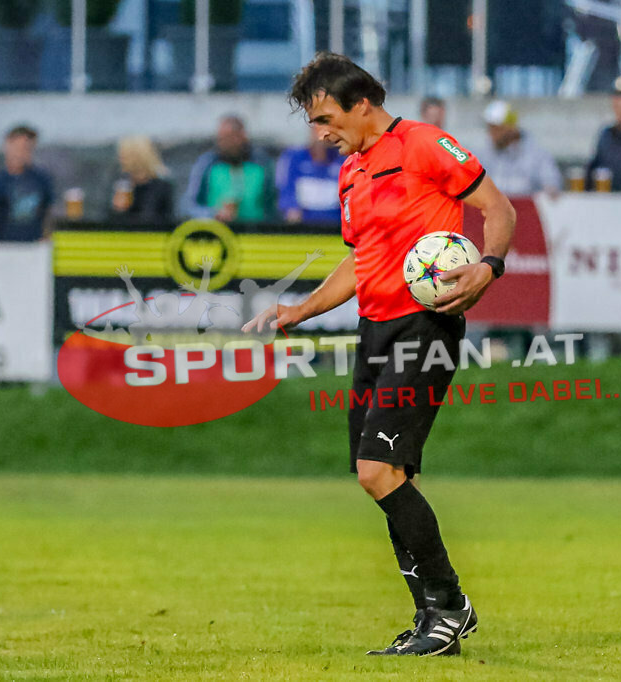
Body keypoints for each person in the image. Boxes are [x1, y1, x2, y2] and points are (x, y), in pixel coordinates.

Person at [244, 53, 516, 657]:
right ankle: (433, 619)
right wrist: (299, 310)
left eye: (326, 116)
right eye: (314, 122)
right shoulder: (351, 172)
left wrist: (488, 266)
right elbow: (359, 260)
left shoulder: (424, 143)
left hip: (428, 324)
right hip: (374, 332)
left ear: (361, 103)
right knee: (383, 478)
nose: (320, 132)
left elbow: (500, 209)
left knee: (377, 470)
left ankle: (448, 607)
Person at [178, 115, 277, 223]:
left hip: (257, 232)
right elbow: (188, 205)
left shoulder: (262, 164)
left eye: (231, 138)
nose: (225, 144)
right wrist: (213, 214)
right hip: (216, 230)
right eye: (221, 139)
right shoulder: (207, 164)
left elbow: (273, 204)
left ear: (243, 136)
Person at [0, 125, 54, 242]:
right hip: (4, 247)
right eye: (18, 147)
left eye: (27, 148)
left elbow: (48, 214)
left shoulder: (41, 180)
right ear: (8, 146)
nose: (21, 153)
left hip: (34, 249)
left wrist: (46, 237)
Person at [476, 100, 562, 199]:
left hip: (528, 213)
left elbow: (552, 185)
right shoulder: (483, 154)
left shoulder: (537, 155)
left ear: (511, 128)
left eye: (497, 128)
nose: (492, 133)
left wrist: (550, 190)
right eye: (489, 128)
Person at [274, 126, 343, 224]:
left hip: (336, 227)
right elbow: (286, 193)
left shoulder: (343, 161)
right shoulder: (293, 158)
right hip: (303, 228)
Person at [111, 136, 174, 223]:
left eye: (125, 156)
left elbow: (153, 219)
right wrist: (118, 210)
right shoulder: (121, 184)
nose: (121, 160)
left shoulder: (160, 187)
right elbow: (107, 219)